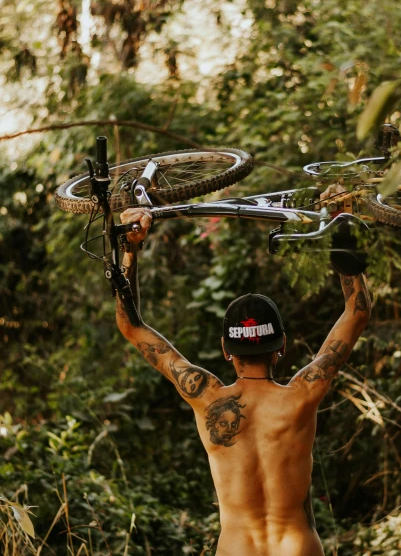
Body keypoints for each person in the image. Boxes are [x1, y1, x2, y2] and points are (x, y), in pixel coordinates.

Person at [116, 205, 371, 556]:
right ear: (281, 345)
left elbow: (131, 326)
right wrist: (342, 231)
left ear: (226, 349)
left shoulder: (204, 396)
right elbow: (357, 311)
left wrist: (129, 246)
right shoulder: (303, 394)